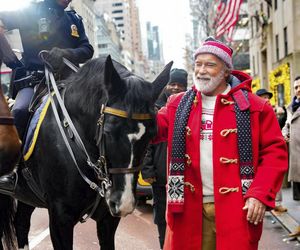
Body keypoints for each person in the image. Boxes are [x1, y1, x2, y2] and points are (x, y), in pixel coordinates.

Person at [154, 37, 288, 250]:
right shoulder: (176, 105)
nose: (201, 70)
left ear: (226, 71)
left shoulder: (256, 107)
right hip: (188, 210)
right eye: (198, 64)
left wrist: (260, 194)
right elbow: (151, 130)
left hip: (237, 210)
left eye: (210, 64)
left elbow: (275, 153)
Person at [0, 0, 94, 194]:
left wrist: (67, 53)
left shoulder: (74, 19)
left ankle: (101, 170)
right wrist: (9, 57)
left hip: (70, 82)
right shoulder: (29, 11)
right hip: (34, 81)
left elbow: (87, 50)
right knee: (19, 110)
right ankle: (13, 172)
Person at [142, 68, 188, 250]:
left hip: (184, 177)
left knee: (183, 218)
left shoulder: (190, 105)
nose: (176, 88)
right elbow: (147, 142)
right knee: (163, 219)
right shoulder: (155, 107)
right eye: (172, 84)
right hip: (161, 177)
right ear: (166, 85)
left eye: (180, 84)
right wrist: (148, 170)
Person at [255, 88, 288, 213]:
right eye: (263, 97)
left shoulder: (272, 110)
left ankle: (276, 203)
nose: (267, 99)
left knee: (275, 176)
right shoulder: (255, 111)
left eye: (268, 97)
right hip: (260, 152)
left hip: (275, 150)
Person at [282, 76, 300, 202]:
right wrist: (285, 133)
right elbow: (287, 125)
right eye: (296, 87)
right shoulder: (290, 107)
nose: (298, 90)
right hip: (295, 159)